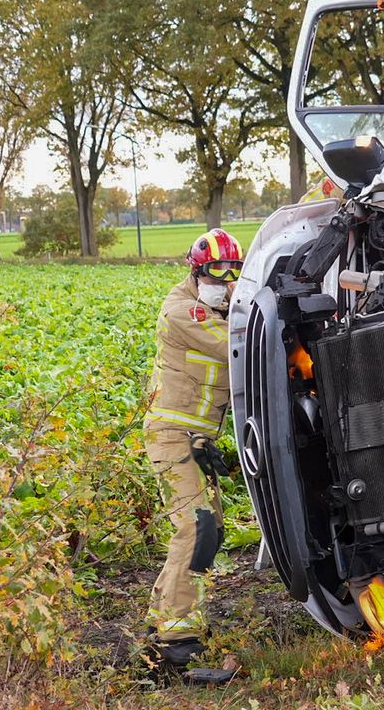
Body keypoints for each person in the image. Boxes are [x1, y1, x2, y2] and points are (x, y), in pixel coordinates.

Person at [142, 228, 243, 668]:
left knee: (210, 529)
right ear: (196, 271)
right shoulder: (184, 312)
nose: (226, 281)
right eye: (217, 272)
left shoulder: (216, 307)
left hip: (194, 439)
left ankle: (162, 617)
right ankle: (177, 637)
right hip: (171, 437)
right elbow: (234, 347)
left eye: (233, 272)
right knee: (195, 528)